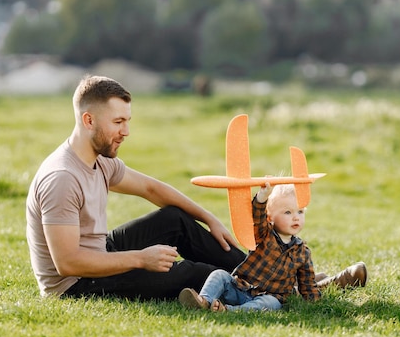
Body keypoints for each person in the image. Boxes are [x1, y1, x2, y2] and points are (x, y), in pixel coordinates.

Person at [25, 75, 247, 299]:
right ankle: (253, 289)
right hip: (77, 284)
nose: (126, 131)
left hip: (101, 251)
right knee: (196, 273)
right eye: (118, 122)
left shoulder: (100, 160)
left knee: (174, 219)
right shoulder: (62, 179)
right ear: (89, 121)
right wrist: (141, 259)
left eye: (127, 121)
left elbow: (150, 188)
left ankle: (259, 274)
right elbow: (68, 263)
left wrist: (208, 218)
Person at [178, 183, 368, 312]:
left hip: (266, 297)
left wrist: (316, 301)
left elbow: (308, 286)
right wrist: (261, 199)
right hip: (240, 288)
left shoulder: (303, 252)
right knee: (220, 275)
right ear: (270, 218)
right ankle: (203, 301)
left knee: (272, 303)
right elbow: (257, 219)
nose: (295, 217)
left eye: (300, 212)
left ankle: (230, 311)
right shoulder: (264, 235)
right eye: (287, 212)